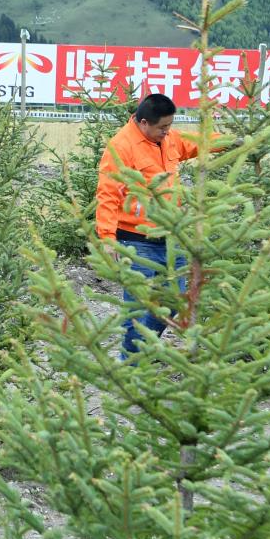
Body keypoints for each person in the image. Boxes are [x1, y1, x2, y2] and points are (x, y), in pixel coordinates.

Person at [94, 93, 231, 357]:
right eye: (162, 127)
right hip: (134, 240)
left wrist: (231, 142)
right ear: (144, 122)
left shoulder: (168, 140)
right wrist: (108, 237)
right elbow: (108, 194)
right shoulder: (121, 146)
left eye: (170, 126)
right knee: (136, 309)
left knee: (177, 298)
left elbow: (195, 144)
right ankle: (131, 369)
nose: (167, 132)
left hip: (170, 238)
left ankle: (145, 348)